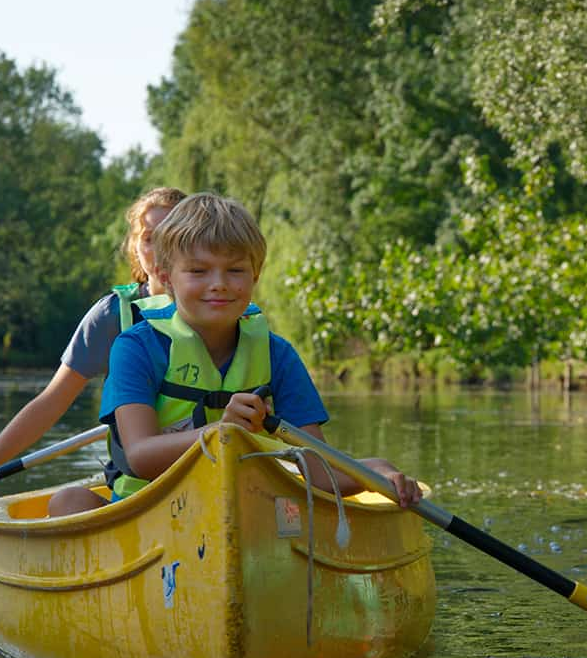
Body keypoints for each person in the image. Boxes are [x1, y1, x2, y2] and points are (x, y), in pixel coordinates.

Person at [51, 191, 421, 517]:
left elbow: (317, 471)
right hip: (148, 509)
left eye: (236, 270)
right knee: (68, 502)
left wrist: (377, 470)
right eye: (198, 270)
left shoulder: (277, 354)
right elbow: (140, 455)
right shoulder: (134, 348)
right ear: (165, 276)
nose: (219, 284)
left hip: (244, 509)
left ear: (256, 273)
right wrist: (220, 433)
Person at [0, 187, 186, 499]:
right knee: (67, 501)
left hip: (210, 472)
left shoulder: (223, 307)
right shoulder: (111, 315)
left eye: (172, 235)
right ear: (135, 247)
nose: (160, 250)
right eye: (149, 238)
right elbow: (51, 402)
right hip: (141, 491)